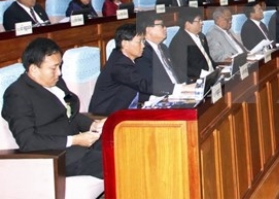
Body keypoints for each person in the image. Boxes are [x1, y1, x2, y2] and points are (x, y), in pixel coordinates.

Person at [2, 38, 105, 178]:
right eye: (53, 68)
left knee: (126, 146)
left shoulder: (57, 82)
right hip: (58, 156)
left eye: (60, 66)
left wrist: (93, 125)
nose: (59, 73)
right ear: (34, 69)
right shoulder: (17, 95)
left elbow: (70, 114)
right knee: (118, 163)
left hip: (80, 146)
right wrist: (74, 140)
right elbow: (28, 142)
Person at [89, 23, 165, 115]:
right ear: (125, 43)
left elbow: (135, 91)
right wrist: (176, 89)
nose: (143, 46)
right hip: (105, 117)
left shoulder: (129, 60)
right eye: (139, 41)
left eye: (143, 41)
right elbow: (143, 85)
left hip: (124, 112)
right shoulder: (119, 64)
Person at [135, 13, 182, 96]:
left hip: (177, 91)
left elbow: (175, 72)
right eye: (161, 25)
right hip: (161, 96)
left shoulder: (163, 48)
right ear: (148, 29)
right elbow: (150, 84)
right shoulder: (142, 52)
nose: (165, 28)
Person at [168, 8, 216, 82]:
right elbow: (182, 68)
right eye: (198, 21)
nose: (202, 23)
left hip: (212, 74)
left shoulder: (201, 36)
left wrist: (217, 68)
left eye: (201, 20)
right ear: (187, 25)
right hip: (198, 79)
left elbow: (207, 58)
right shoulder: (179, 42)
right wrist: (204, 75)